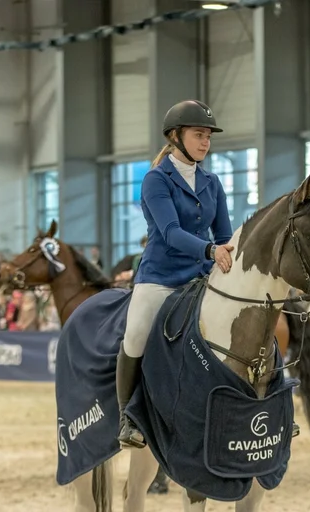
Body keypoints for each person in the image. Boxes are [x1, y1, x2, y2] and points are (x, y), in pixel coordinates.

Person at [116, 99, 235, 449]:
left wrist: (226, 254)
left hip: (202, 277)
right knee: (136, 334)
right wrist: (211, 251)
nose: (205, 143)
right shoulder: (156, 179)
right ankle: (128, 417)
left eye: (208, 137)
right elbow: (169, 232)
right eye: (199, 135)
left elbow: (224, 236)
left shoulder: (212, 182)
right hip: (161, 276)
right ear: (176, 136)